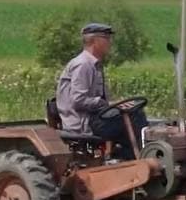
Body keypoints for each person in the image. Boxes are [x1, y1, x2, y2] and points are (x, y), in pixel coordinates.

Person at [56, 22, 147, 159]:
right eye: (106, 38)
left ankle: (125, 160)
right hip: (83, 123)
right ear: (95, 41)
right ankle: (140, 158)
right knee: (135, 118)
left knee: (134, 112)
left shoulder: (94, 65)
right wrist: (107, 104)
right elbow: (78, 100)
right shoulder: (83, 65)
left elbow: (97, 99)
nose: (110, 43)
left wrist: (115, 104)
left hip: (93, 118)